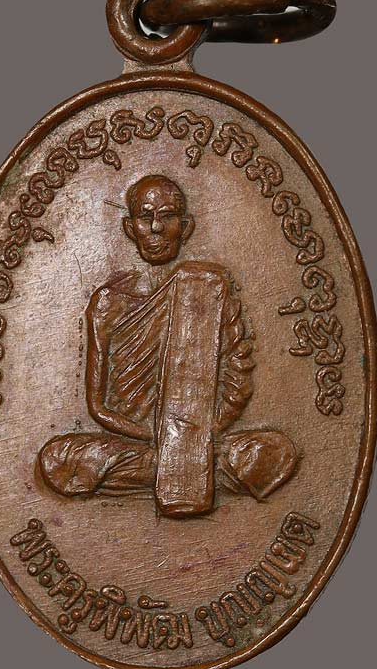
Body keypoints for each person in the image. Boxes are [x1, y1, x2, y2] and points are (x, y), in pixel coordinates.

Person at [39, 174, 296, 517]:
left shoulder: (208, 287)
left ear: (185, 228)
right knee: (57, 459)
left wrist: (196, 433)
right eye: (145, 218)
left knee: (276, 450)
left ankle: (171, 468)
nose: (156, 227)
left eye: (168, 216)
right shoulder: (108, 302)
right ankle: (192, 469)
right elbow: (98, 407)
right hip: (137, 439)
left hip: (198, 434)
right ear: (130, 228)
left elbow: (238, 375)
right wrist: (165, 437)